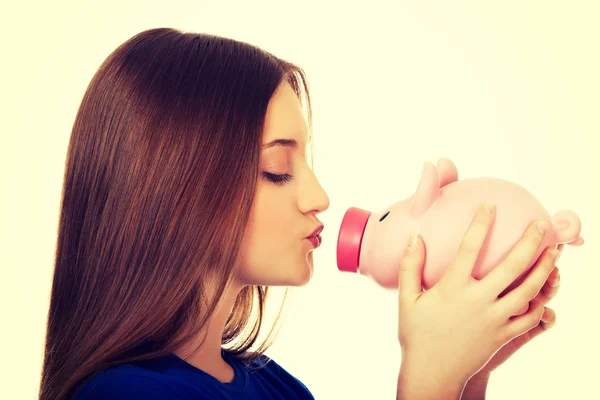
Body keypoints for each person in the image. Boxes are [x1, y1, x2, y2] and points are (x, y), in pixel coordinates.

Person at [38, 27, 563, 400]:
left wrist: (466, 378)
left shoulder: (277, 387)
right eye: (277, 169)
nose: (319, 198)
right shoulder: (124, 395)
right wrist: (426, 385)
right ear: (174, 189)